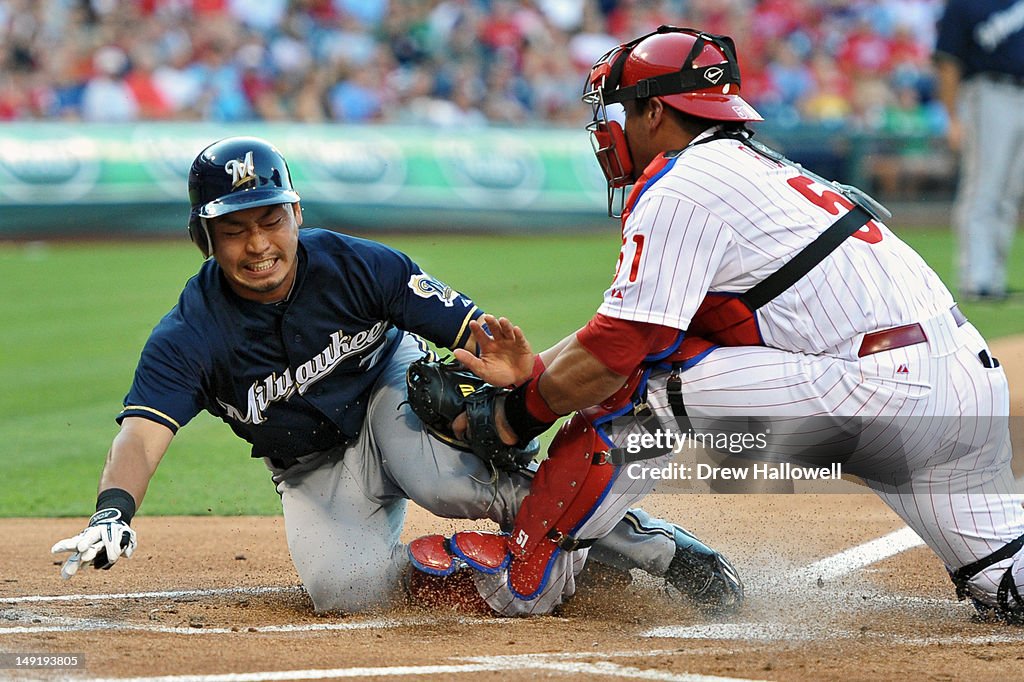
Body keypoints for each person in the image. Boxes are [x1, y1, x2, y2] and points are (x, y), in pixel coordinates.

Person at [436, 26, 1024, 624]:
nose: (613, 128)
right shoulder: (748, 170)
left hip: (879, 391)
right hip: (957, 390)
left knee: (642, 389)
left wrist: (517, 415)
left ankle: (522, 576)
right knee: (1007, 583)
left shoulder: (684, 184)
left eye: (624, 109)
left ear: (658, 112)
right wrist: (534, 373)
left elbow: (623, 349)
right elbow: (632, 328)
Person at [49, 136, 742, 615]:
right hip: (311, 462)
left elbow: (476, 335)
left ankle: (658, 551)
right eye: (234, 230)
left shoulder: (359, 264)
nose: (257, 245)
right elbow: (142, 434)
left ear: (295, 214)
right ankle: (519, 565)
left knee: (448, 480)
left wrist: (503, 371)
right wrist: (114, 509)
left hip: (388, 390)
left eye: (270, 221)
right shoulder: (190, 332)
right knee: (345, 595)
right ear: (206, 238)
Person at [934, 1, 1024, 301]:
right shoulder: (966, 4)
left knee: (1010, 193)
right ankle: (976, 278)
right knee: (984, 189)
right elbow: (948, 60)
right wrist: (953, 117)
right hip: (989, 92)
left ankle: (993, 279)